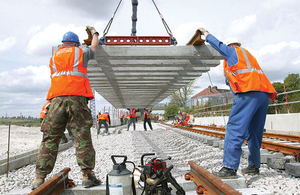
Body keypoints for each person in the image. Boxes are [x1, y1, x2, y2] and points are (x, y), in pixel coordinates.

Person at [198, 28, 277, 178]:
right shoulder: (248, 55)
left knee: (234, 129)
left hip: (248, 94)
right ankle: (253, 166)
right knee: (254, 132)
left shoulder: (232, 52)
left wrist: (206, 34)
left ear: (231, 46)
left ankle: (229, 168)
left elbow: (218, 45)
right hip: (264, 94)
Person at [32, 26, 101, 190]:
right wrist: (95, 34)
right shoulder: (80, 52)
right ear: (76, 44)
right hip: (76, 98)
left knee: (50, 138)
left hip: (56, 100)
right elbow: (95, 47)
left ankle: (39, 178)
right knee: (82, 136)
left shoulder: (54, 57)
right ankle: (87, 175)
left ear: (63, 44)